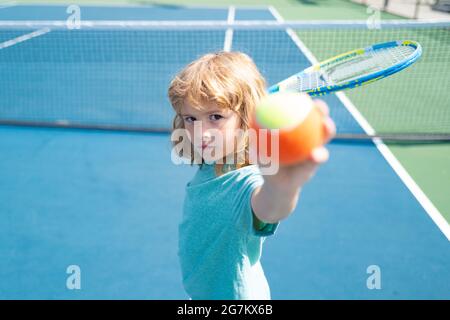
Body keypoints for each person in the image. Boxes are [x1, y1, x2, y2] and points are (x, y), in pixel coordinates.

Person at [168, 51, 335, 299]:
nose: (201, 132)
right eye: (191, 118)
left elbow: (269, 207)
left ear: (246, 119)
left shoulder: (245, 182)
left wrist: (281, 187)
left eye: (216, 117)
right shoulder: (211, 163)